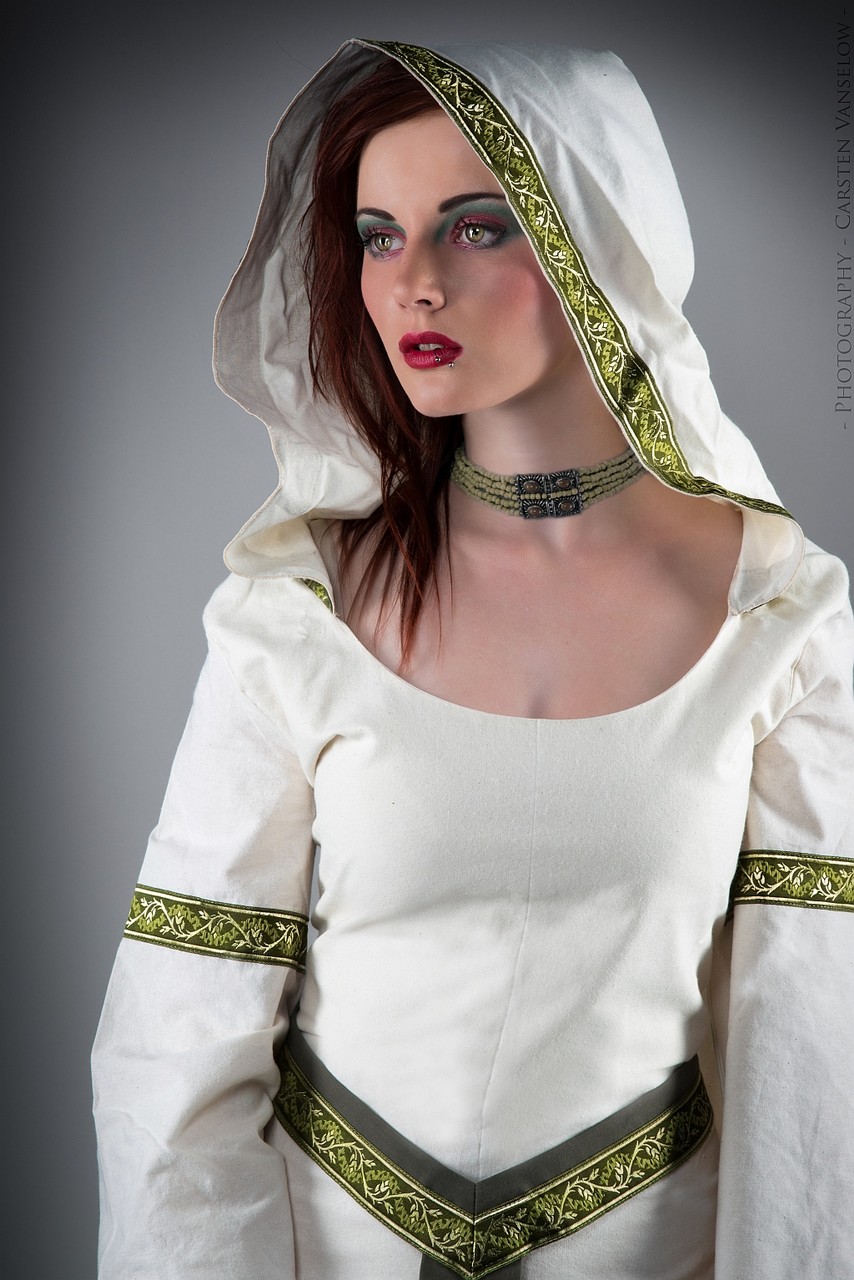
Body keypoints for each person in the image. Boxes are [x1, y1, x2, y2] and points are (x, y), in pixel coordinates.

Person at [91, 39, 854, 1280]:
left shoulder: (781, 623)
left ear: (598, 245)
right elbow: (173, 1045)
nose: (413, 284)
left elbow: (812, 1069)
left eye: (475, 227)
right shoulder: (297, 610)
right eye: (378, 236)